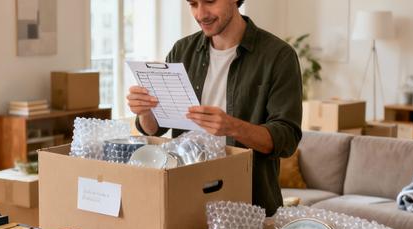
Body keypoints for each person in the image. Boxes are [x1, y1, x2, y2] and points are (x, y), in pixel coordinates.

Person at [127, 0, 303, 216]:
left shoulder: (278, 56)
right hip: (185, 198)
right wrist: (145, 111)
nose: (201, 14)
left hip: (250, 203)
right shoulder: (182, 51)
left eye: (210, 1)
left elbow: (287, 139)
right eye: (193, 4)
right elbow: (155, 128)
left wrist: (233, 127)